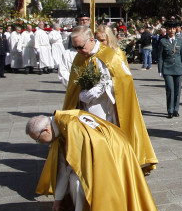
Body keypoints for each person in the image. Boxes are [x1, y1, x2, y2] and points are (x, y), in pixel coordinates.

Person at [30, 110, 163, 211]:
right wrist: (58, 200)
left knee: (77, 182)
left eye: (38, 139)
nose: (39, 143)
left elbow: (69, 168)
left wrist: (58, 200)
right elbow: (65, 164)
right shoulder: (63, 119)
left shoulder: (70, 128)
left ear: (46, 130)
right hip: (114, 143)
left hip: (112, 149)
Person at [64, 26, 157, 171]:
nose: (78, 51)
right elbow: (73, 82)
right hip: (85, 106)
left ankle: (111, 168)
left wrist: (100, 89)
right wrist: (79, 94)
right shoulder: (80, 56)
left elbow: (124, 79)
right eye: (75, 48)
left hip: (106, 105)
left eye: (80, 47)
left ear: (90, 40)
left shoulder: (110, 55)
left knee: (104, 138)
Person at [157, 21, 182, 118]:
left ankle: (176, 109)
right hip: (168, 68)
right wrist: (160, 70)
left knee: (177, 90)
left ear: (176, 29)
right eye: (169, 29)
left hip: (178, 68)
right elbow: (160, 57)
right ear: (166, 30)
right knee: (170, 89)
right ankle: (170, 110)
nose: (171, 30)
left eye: (173, 29)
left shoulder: (180, 40)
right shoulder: (163, 41)